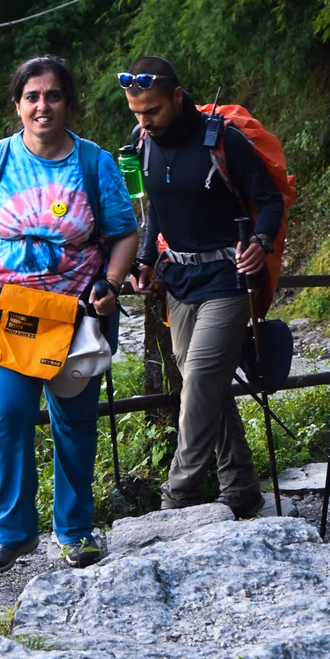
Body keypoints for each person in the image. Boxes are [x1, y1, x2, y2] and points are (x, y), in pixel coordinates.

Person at [0, 54, 138, 574]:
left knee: (74, 419)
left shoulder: (94, 162)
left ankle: (75, 532)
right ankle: (14, 533)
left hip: (77, 313)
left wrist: (111, 282)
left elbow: (124, 233)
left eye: (53, 95)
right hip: (13, 309)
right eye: (32, 97)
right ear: (18, 104)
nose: (43, 106)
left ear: (68, 102)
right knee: (8, 414)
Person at [123, 56, 284, 518]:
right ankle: (240, 485)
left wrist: (260, 240)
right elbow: (155, 208)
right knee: (205, 385)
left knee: (197, 380)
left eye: (151, 110)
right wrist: (146, 259)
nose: (144, 121)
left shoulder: (223, 140)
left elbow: (269, 200)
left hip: (228, 277)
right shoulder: (142, 143)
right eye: (136, 112)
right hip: (179, 279)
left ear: (177, 96)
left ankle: (180, 493)